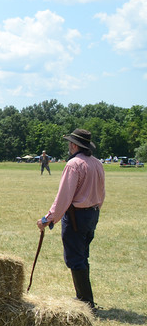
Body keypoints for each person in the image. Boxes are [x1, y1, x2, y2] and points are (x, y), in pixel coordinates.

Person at [36, 129, 105, 312]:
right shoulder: (97, 163)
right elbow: (101, 193)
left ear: (74, 145)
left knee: (76, 258)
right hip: (92, 214)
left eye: (70, 143)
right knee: (82, 256)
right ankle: (84, 298)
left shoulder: (74, 164)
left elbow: (64, 197)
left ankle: (86, 302)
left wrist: (48, 219)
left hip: (77, 216)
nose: (69, 146)